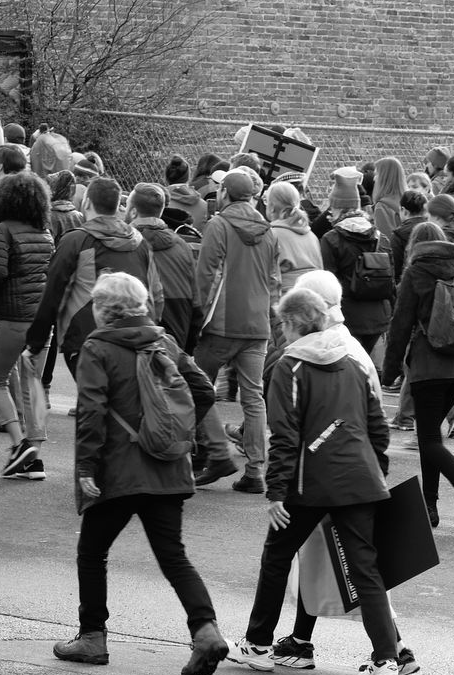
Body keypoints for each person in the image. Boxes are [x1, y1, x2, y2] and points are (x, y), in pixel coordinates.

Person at [54, 272, 227, 675]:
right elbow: (203, 391)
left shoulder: (97, 348)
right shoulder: (162, 341)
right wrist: (178, 432)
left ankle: (92, 637)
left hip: (118, 469)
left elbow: (92, 412)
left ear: (103, 308)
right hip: (167, 467)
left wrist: (85, 467)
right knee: (174, 557)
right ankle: (205, 630)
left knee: (93, 552)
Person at [235, 286, 400, 675]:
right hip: (360, 480)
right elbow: (377, 425)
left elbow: (285, 436)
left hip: (309, 484)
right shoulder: (355, 363)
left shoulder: (289, 367)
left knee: (277, 558)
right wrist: (376, 468)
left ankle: (258, 644)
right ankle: (385, 660)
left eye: (282, 324)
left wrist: (276, 492)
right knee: (366, 570)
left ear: (292, 324)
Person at [382, 218, 454, 531]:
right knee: (432, 438)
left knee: (428, 439)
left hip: (430, 366)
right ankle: (429, 506)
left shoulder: (416, 273)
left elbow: (400, 325)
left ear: (416, 246)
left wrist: (388, 372)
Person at [190, 168, 278, 492]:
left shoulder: (219, 225)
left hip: (221, 323)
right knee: (254, 398)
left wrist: (194, 319)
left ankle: (205, 457)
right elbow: (273, 279)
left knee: (197, 389)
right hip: (257, 324)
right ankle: (255, 471)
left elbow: (204, 275)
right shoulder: (269, 230)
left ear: (224, 194)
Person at [31, 177, 156, 377]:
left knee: (94, 400)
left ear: (87, 202)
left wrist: (36, 342)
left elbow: (52, 293)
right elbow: (154, 293)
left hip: (86, 339)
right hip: (134, 337)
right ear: (117, 205)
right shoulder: (140, 243)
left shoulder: (76, 241)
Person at [0, 171, 54, 482]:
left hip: (12, 316)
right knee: (33, 384)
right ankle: (34, 456)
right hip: (41, 318)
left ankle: (17, 444)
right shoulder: (45, 232)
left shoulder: (2, 230)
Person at [319, 170, 392, 357]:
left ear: (338, 208)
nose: (328, 213)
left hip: (347, 319)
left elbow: (329, 285)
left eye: (331, 208)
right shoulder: (379, 236)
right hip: (379, 317)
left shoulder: (331, 239)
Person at [130, 183, 197, 356]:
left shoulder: (125, 244)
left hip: (132, 336)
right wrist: (188, 348)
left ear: (132, 212)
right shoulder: (182, 246)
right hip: (175, 336)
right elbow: (196, 301)